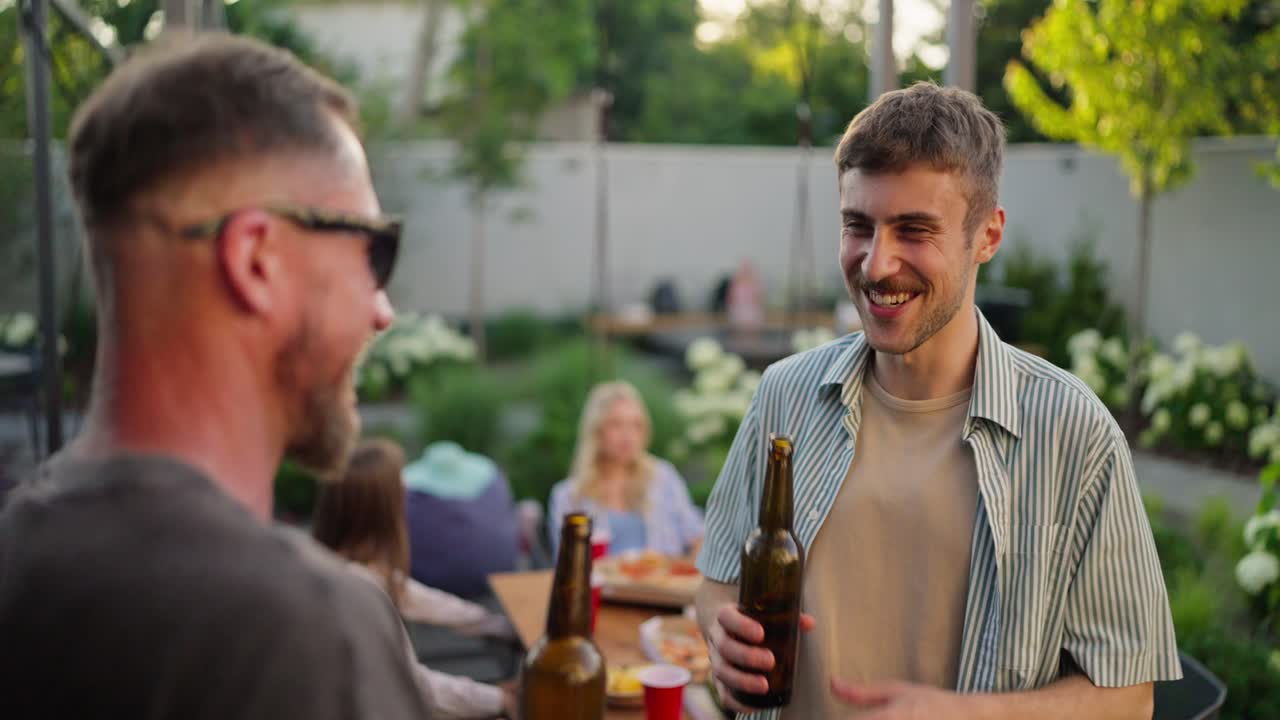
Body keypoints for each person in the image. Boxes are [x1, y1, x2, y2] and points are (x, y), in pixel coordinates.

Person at [695, 82, 1180, 719]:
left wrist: (971, 714)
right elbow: (717, 583)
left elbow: (1129, 696)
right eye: (858, 226)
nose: (875, 264)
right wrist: (722, 636)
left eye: (913, 230)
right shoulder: (785, 396)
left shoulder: (1074, 433)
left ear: (988, 235)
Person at [0, 34, 430, 718]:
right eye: (372, 251)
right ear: (257, 259)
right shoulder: (310, 633)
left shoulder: (18, 549)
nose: (382, 310)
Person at [314, 438, 518, 720]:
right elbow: (413, 684)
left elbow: (421, 598)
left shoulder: (341, 563)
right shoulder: (359, 589)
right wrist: (498, 700)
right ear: (382, 512)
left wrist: (500, 626)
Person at [548, 381, 703, 558]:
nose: (627, 435)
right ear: (596, 430)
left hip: (659, 584)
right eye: (616, 424)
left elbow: (698, 537)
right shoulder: (569, 496)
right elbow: (567, 566)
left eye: (636, 425)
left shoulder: (663, 477)